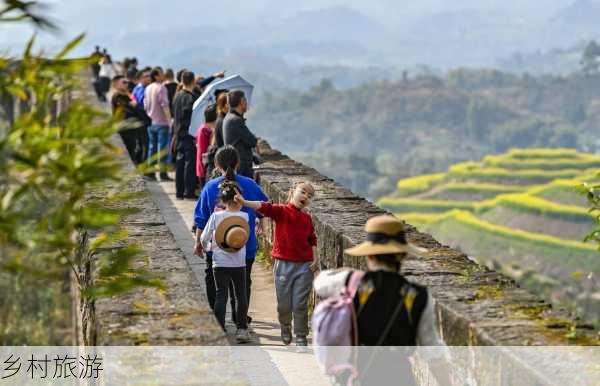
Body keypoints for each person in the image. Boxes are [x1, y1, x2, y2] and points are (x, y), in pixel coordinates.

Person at [313, 215, 452, 386]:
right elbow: (432, 351)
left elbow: (319, 283)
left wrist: (348, 272)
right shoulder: (418, 295)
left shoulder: (350, 282)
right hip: (399, 376)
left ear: (369, 255)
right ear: (402, 256)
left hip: (359, 374)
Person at [235, 182, 317, 351]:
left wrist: (315, 259)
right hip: (283, 265)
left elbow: (312, 239)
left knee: (300, 304)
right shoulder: (281, 211)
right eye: (303, 192)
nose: (305, 197)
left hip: (304, 266)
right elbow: (264, 207)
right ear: (292, 192)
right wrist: (244, 202)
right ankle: (285, 325)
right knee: (284, 305)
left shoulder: (307, 218)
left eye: (309, 196)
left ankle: (301, 336)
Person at [194, 146, 268, 322]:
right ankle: (239, 318)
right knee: (242, 285)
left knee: (215, 285)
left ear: (216, 165)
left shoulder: (210, 187)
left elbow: (201, 220)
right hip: (245, 246)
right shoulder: (249, 184)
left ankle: (216, 319)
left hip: (217, 248)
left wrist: (198, 243)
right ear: (238, 163)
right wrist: (261, 221)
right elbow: (265, 207)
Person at [199, 179, 251, 343]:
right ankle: (241, 329)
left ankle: (220, 328)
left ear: (223, 201)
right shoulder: (245, 217)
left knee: (221, 295)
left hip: (219, 263)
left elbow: (203, 237)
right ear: (239, 200)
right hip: (239, 263)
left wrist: (208, 248)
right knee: (240, 295)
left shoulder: (216, 216)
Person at [172, 70, 199, 199]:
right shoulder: (190, 98)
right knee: (189, 164)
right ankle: (188, 192)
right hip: (188, 134)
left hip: (178, 134)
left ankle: (179, 191)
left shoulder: (176, 96)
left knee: (180, 164)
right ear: (193, 81)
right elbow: (188, 117)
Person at [110, 75, 150, 165]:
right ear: (116, 85)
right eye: (124, 82)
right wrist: (134, 105)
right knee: (128, 150)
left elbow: (133, 107)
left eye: (127, 82)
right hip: (124, 128)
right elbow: (129, 108)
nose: (127, 84)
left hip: (130, 127)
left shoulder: (125, 95)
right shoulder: (118, 96)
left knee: (133, 148)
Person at [144, 66, 173, 181]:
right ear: (156, 75)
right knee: (162, 150)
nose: (163, 75)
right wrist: (169, 120)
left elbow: (145, 104)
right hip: (162, 123)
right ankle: (162, 173)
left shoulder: (148, 88)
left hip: (152, 122)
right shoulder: (161, 88)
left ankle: (150, 173)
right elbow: (165, 105)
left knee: (152, 148)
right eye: (161, 74)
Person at [223, 90, 258, 179]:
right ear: (242, 102)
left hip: (236, 163)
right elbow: (252, 141)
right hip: (241, 165)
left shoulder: (229, 117)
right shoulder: (235, 120)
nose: (247, 103)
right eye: (245, 101)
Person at [196, 103, 218, 188]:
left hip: (203, 167)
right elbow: (202, 151)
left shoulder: (204, 128)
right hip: (204, 168)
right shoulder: (205, 130)